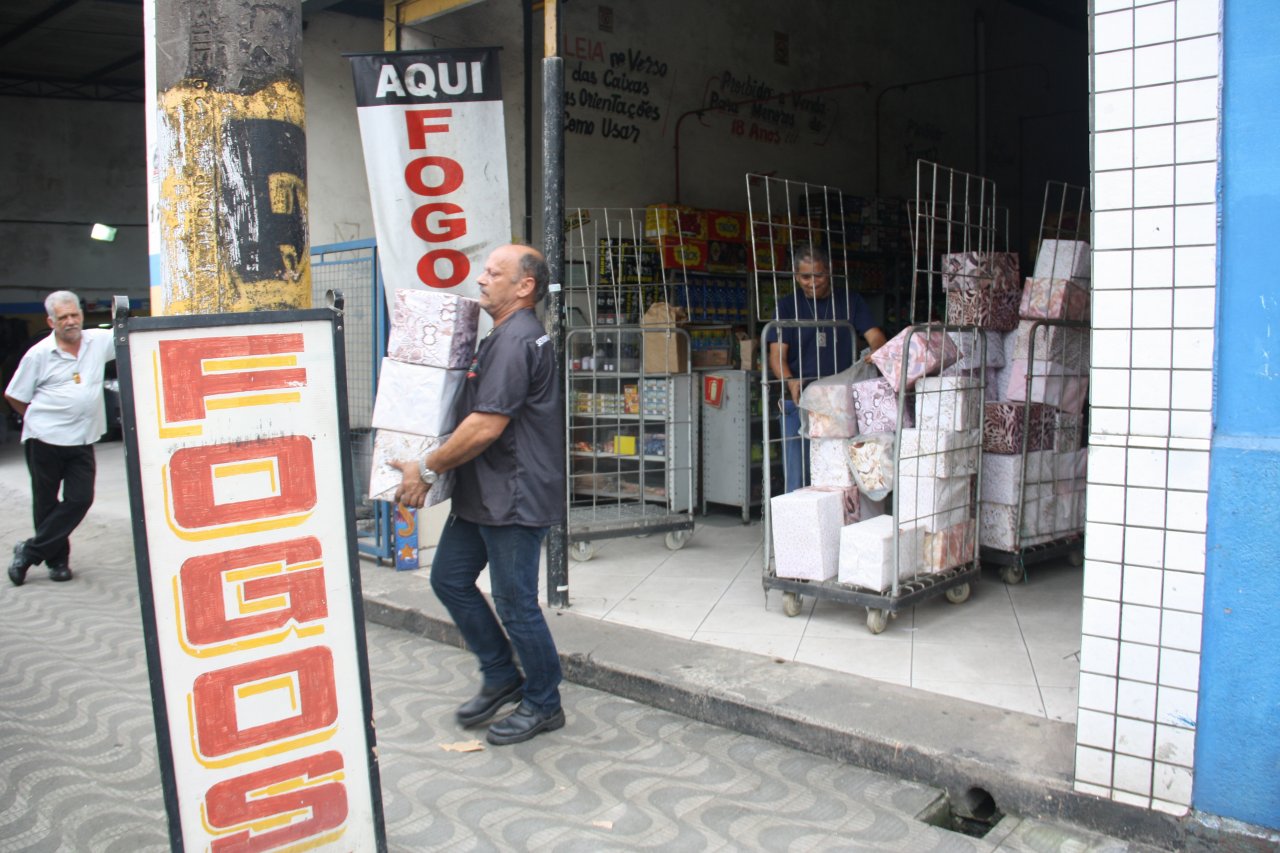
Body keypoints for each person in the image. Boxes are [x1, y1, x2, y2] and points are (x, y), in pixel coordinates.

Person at [393, 244, 566, 746]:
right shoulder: (501, 336)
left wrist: (425, 467)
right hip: (484, 493)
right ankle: (500, 673)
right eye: (484, 271)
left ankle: (543, 701)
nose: (481, 279)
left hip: (513, 495)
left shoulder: (517, 340)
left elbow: (487, 425)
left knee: (516, 604)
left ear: (525, 286)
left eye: (494, 273)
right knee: (449, 579)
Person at [6, 291, 116, 585]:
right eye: (63, 317)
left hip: (82, 439)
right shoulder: (39, 354)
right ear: (51, 321)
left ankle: (29, 551)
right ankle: (57, 562)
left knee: (80, 499)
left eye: (74, 315)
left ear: (81, 314)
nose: (70, 322)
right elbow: (15, 395)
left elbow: (131, 336)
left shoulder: (98, 342)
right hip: (45, 439)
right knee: (46, 502)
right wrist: (39, 418)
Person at [766, 243, 887, 493]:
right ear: (796, 276)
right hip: (798, 399)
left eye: (818, 275)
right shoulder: (788, 306)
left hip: (838, 402)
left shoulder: (850, 302)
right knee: (797, 474)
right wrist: (790, 380)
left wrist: (877, 350)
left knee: (837, 472)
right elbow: (777, 356)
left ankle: (838, 527)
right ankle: (797, 529)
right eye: (805, 277)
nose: (811, 282)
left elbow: (876, 337)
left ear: (830, 271)